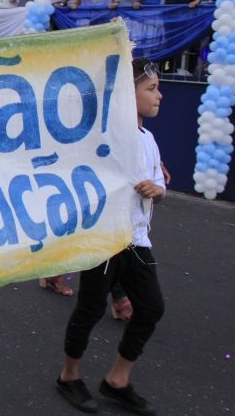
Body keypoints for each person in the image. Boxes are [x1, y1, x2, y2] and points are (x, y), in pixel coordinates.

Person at [56, 58, 166, 415]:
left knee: (151, 307)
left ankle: (117, 380)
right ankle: (68, 376)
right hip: (104, 240)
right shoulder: (107, 136)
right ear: (126, 94)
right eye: (151, 89)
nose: (159, 95)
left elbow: (160, 181)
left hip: (136, 242)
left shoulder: (149, 139)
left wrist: (157, 189)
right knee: (90, 309)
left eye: (158, 88)